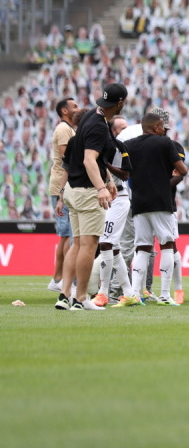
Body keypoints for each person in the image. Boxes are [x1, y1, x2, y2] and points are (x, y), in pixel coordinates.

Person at [56, 82, 128, 311]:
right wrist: (101, 188)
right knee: (88, 246)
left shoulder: (91, 116)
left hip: (73, 188)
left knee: (77, 245)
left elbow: (92, 158)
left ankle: (65, 295)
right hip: (87, 192)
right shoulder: (99, 125)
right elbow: (89, 159)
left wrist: (107, 179)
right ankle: (81, 298)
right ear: (120, 103)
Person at [127, 109, 188, 306]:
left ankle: (135, 293)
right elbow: (183, 170)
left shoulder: (129, 145)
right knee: (167, 244)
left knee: (142, 247)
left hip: (138, 202)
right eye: (162, 126)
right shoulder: (165, 143)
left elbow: (123, 172)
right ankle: (165, 294)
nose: (164, 130)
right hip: (161, 201)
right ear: (155, 127)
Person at [93, 115, 141, 307]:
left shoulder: (119, 148)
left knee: (105, 243)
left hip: (119, 198)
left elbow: (126, 173)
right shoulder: (95, 148)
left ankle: (103, 293)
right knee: (113, 247)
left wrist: (106, 165)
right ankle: (129, 293)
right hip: (104, 199)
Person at [47, 96, 78, 293]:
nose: (78, 108)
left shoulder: (68, 129)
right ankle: (67, 281)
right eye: (74, 106)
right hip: (62, 186)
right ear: (64, 111)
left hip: (63, 185)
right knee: (68, 236)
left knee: (66, 236)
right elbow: (68, 157)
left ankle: (58, 278)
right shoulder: (64, 129)